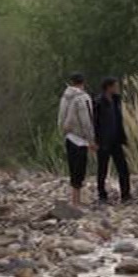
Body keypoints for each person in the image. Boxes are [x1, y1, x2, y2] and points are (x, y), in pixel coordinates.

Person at [57, 72, 96, 207]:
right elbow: (86, 120)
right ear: (83, 82)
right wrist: (91, 139)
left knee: (73, 169)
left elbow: (60, 118)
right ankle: (76, 201)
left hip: (69, 136)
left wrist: (63, 132)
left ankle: (75, 200)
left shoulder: (65, 97)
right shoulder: (83, 97)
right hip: (80, 138)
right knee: (80, 170)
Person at [93, 77, 131, 204]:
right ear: (108, 87)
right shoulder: (99, 102)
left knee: (123, 168)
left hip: (116, 139)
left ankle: (126, 194)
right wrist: (96, 139)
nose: (117, 88)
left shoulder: (116, 100)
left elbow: (119, 120)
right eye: (115, 86)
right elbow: (95, 123)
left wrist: (123, 137)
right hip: (103, 140)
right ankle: (102, 194)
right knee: (102, 169)